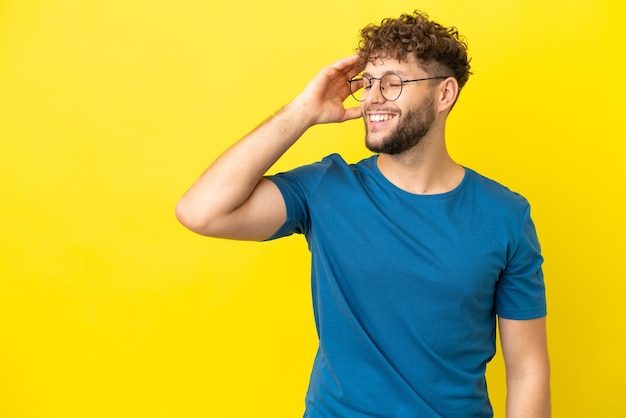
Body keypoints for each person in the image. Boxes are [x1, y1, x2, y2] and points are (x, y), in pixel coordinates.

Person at [176, 10, 550, 418]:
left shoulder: (506, 215)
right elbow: (200, 212)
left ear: (445, 94)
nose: (372, 98)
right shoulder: (326, 188)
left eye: (391, 84)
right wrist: (304, 110)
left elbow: (528, 370)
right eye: (367, 84)